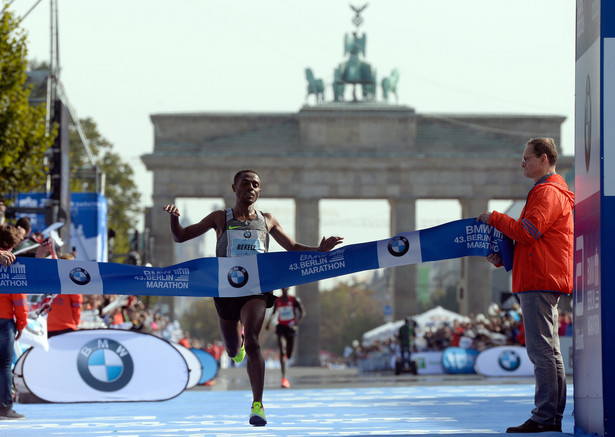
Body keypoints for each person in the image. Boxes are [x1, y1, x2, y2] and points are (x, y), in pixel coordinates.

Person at [163, 169, 343, 426]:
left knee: (254, 340)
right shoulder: (220, 217)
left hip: (256, 289)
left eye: (255, 184)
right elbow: (180, 237)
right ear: (234, 188)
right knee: (234, 349)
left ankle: (257, 405)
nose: (250, 187)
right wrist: (174, 219)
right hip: (225, 290)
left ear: (260, 191)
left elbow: (291, 247)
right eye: (245, 183)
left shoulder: (267, 220)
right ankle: (237, 349)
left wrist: (319, 250)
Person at [478, 137, 573, 434]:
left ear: (543, 159)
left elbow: (528, 232)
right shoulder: (551, 191)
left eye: (527, 158)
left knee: (541, 351)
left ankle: (544, 416)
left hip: (539, 279)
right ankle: (551, 415)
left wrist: (495, 218)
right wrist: (503, 257)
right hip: (542, 275)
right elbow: (531, 240)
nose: (522, 163)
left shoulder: (546, 192)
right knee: (549, 351)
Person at [0, 222, 27, 420]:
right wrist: (21, 324)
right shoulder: (14, 264)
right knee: (4, 366)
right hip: (4, 321)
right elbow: (19, 299)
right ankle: (4, 408)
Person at [265, 287, 305, 388]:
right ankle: (284, 377)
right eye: (282, 289)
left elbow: (302, 312)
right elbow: (274, 312)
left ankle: (286, 358)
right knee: (282, 351)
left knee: (289, 354)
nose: (284, 290)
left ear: (289, 289)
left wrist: (297, 323)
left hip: (291, 328)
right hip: (281, 327)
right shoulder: (278, 300)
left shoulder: (294, 300)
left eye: (285, 288)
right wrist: (269, 323)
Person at [47, 254, 83, 338]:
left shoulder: (50, 280)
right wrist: (76, 323)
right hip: (67, 327)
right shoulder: (73, 282)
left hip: (49, 326)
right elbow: (77, 304)